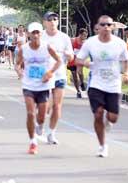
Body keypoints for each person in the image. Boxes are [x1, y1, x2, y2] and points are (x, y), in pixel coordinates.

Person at [76, 15, 128, 157]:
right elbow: (78, 59)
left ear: (112, 27)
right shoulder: (90, 43)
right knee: (98, 113)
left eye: (109, 24)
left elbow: (127, 60)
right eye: (103, 24)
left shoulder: (119, 43)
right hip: (96, 83)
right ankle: (102, 145)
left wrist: (126, 73)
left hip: (113, 85)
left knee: (113, 117)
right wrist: (86, 63)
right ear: (98, 27)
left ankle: (109, 122)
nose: (106, 27)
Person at [16, 22, 61, 155]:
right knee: (30, 113)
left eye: (37, 32)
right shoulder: (24, 49)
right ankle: (32, 142)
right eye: (33, 33)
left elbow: (59, 61)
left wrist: (50, 72)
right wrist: (19, 72)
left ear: (41, 34)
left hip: (44, 85)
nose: (35, 35)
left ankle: (39, 125)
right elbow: (17, 64)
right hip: (29, 85)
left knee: (41, 117)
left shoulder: (47, 47)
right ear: (28, 34)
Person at [39, 12, 74, 144]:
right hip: (44, 75)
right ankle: (40, 123)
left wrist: (69, 55)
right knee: (45, 106)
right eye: (49, 20)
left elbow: (71, 56)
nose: (52, 22)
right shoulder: (40, 36)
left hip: (59, 75)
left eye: (55, 19)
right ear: (44, 22)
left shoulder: (64, 37)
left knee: (57, 106)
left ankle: (51, 133)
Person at [67, 28, 88, 98]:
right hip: (72, 60)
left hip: (80, 60)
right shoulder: (73, 40)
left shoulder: (86, 43)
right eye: (84, 35)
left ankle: (82, 83)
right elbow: (67, 48)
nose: (85, 37)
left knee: (80, 73)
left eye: (86, 36)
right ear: (80, 35)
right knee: (75, 76)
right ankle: (78, 91)